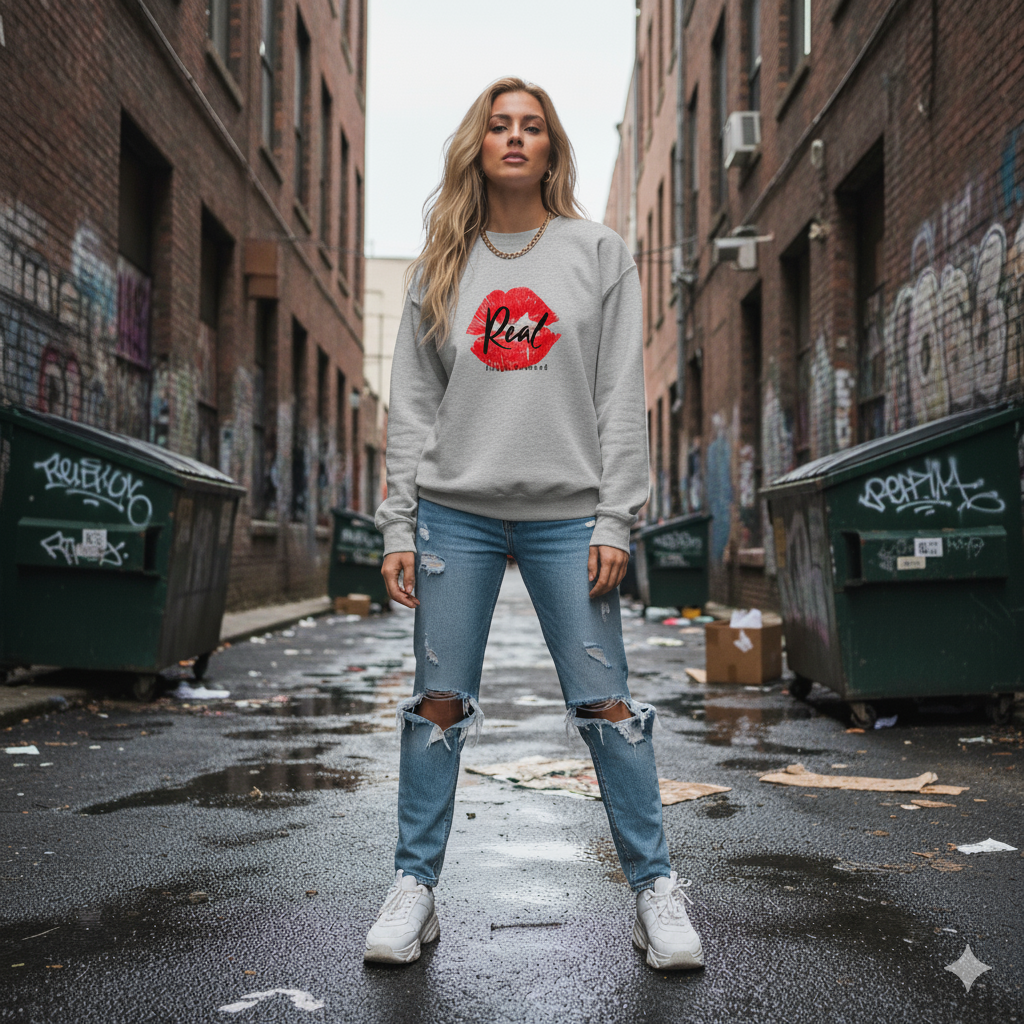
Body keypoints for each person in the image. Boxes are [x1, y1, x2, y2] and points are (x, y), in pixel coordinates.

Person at [365, 77, 703, 972]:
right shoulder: (442, 261)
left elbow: (620, 397)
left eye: (534, 127)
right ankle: (415, 889)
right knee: (437, 703)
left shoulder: (598, 252)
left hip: (567, 517)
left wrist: (616, 519)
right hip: (454, 516)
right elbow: (411, 405)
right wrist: (399, 525)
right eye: (500, 125)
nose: (515, 138)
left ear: (552, 148)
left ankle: (655, 892)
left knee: (607, 703)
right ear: (477, 143)